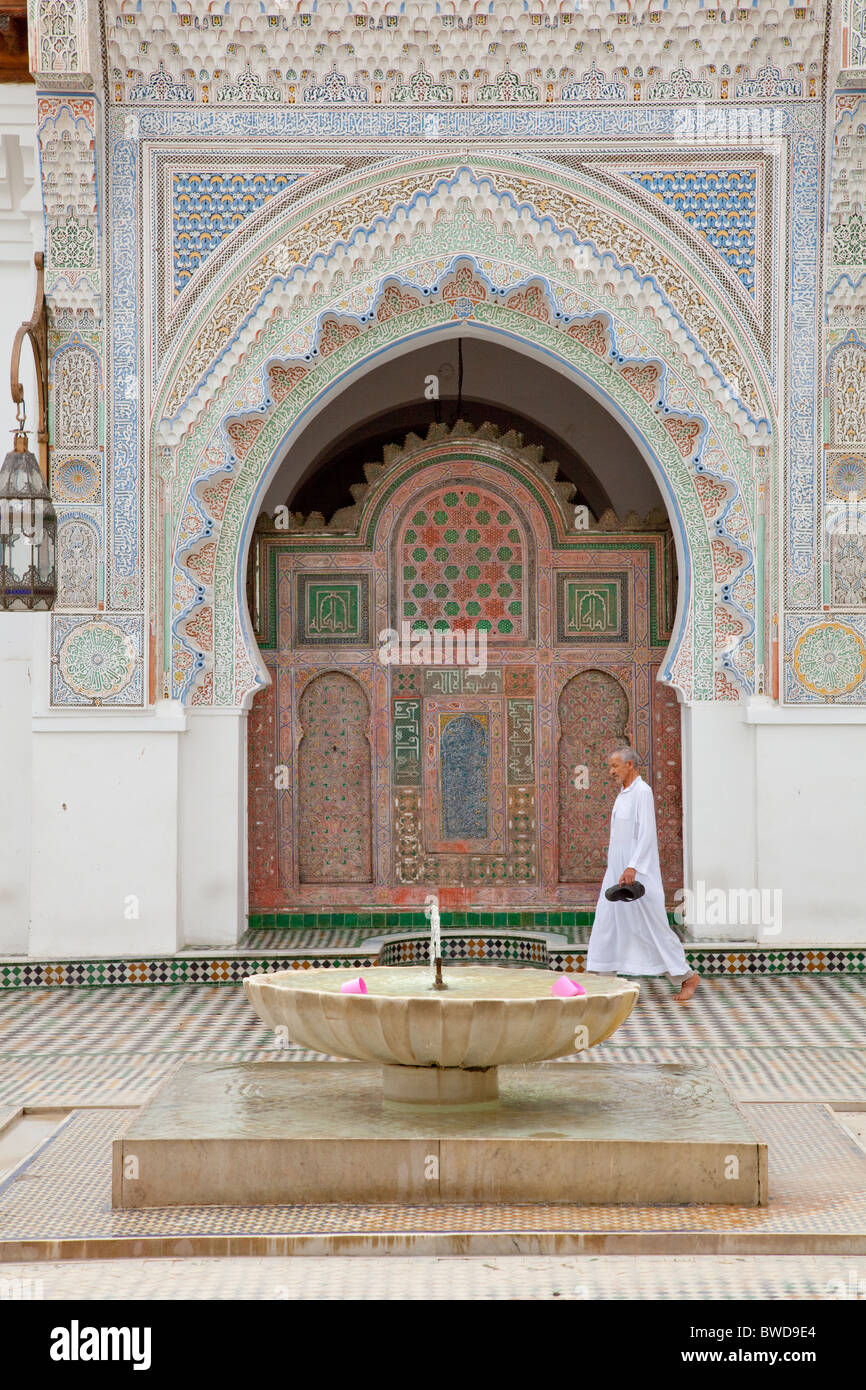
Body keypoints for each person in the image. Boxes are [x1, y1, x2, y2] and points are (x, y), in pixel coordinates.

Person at [586, 746, 700, 1003]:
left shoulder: (642, 792)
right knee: (606, 920)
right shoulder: (623, 794)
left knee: (653, 927)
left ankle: (686, 977)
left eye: (615, 766)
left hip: (638, 875)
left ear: (630, 765)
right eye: (610, 767)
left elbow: (647, 834)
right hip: (616, 872)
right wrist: (618, 868)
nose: (611, 771)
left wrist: (632, 867)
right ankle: (598, 979)